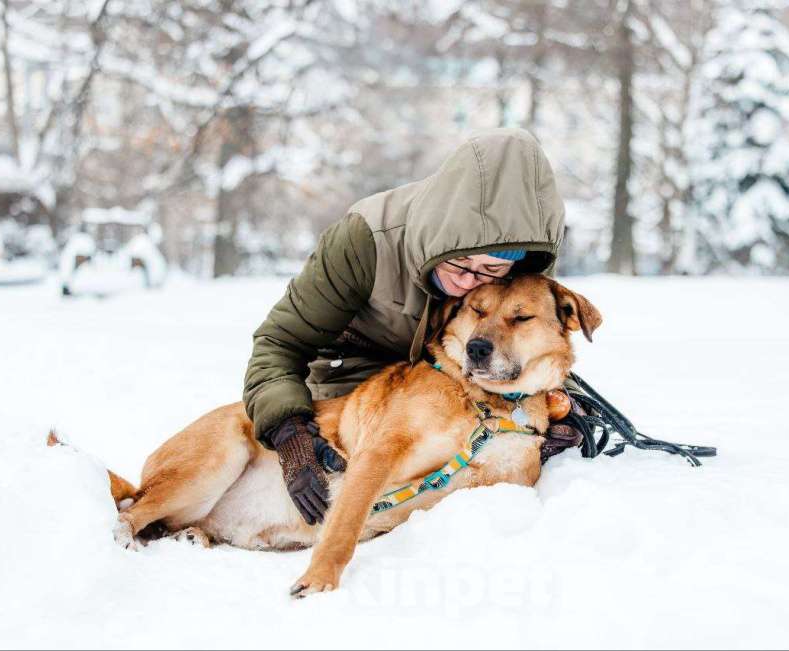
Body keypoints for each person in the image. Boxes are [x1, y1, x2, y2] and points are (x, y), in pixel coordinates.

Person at [243, 127, 585, 526]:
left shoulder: (520, 271)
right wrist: (287, 429)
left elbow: (530, 339)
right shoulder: (365, 239)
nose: (467, 282)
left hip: (457, 386)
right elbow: (280, 343)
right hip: (359, 387)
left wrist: (557, 401)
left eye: (491, 270)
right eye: (458, 264)